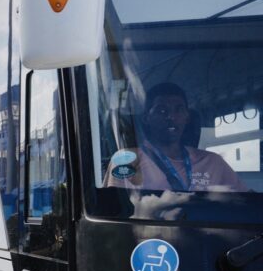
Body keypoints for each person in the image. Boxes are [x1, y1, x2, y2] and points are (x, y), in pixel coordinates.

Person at [106, 82, 247, 192]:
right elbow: (115, 211)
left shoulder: (213, 162)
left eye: (179, 110)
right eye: (162, 110)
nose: (171, 117)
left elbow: (247, 204)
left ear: (187, 117)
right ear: (146, 118)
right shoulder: (127, 161)